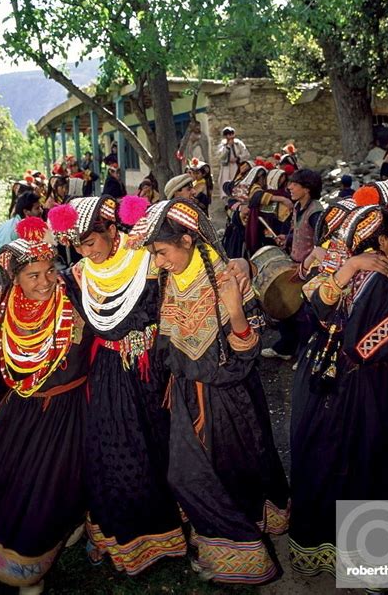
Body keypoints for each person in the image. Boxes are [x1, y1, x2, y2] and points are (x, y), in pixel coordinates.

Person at [126, 199, 289, 584]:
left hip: (228, 400)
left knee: (222, 474)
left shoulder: (226, 278)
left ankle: (242, 556)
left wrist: (234, 311)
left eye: (162, 252)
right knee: (199, 474)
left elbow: (246, 354)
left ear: (187, 239)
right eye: (155, 254)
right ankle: (225, 547)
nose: (159, 261)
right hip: (186, 396)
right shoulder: (170, 278)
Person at [47, 196, 186, 574]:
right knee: (110, 449)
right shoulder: (78, 274)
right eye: (78, 246)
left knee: (159, 443)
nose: (85, 252)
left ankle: (165, 533)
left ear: (112, 230)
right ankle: (122, 538)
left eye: (90, 242)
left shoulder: (148, 260)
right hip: (107, 370)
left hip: (151, 369)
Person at [290, 205, 388, 577]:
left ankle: (330, 549)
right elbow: (379, 346)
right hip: (367, 386)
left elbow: (314, 309)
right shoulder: (384, 281)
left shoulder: (337, 268)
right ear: (381, 241)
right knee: (377, 464)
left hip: (321, 380)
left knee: (328, 461)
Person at [0, 218, 92, 594]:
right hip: (21, 410)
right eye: (33, 275)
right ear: (14, 279)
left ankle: (32, 570)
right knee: (7, 480)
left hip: (69, 412)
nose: (45, 281)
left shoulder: (75, 298)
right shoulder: (4, 310)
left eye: (50, 270)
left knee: (49, 488)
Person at [261, 169, 323, 360]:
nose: (289, 187)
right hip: (295, 264)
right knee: (285, 307)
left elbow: (322, 246)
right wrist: (285, 240)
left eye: (294, 184)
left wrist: (306, 267)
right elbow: (297, 232)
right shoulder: (297, 207)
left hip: (310, 270)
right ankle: (286, 348)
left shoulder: (316, 213)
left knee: (305, 315)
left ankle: (307, 356)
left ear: (307, 189)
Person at [0, 192, 43, 289]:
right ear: (26, 212)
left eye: (40, 207)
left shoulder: (26, 226)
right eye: (37, 208)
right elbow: (1, 257)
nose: (41, 211)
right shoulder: (12, 230)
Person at [217, 127, 250, 198]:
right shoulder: (223, 145)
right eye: (229, 135)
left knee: (236, 180)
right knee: (225, 181)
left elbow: (246, 154)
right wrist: (228, 147)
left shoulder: (238, 144)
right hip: (226, 167)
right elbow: (221, 156)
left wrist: (238, 158)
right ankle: (226, 196)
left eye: (232, 134)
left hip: (237, 165)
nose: (231, 136)